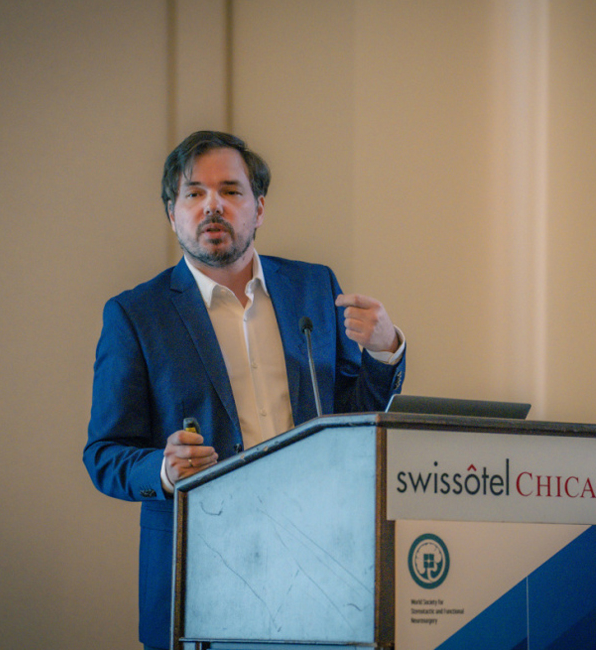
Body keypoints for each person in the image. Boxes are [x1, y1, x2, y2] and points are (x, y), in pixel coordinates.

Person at [83, 130, 406, 650]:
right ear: (172, 215)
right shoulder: (136, 315)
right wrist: (164, 471)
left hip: (322, 562)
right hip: (200, 576)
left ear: (259, 208)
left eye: (231, 190)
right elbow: (104, 454)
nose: (212, 205)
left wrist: (384, 349)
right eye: (194, 193)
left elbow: (353, 418)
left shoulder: (314, 287)